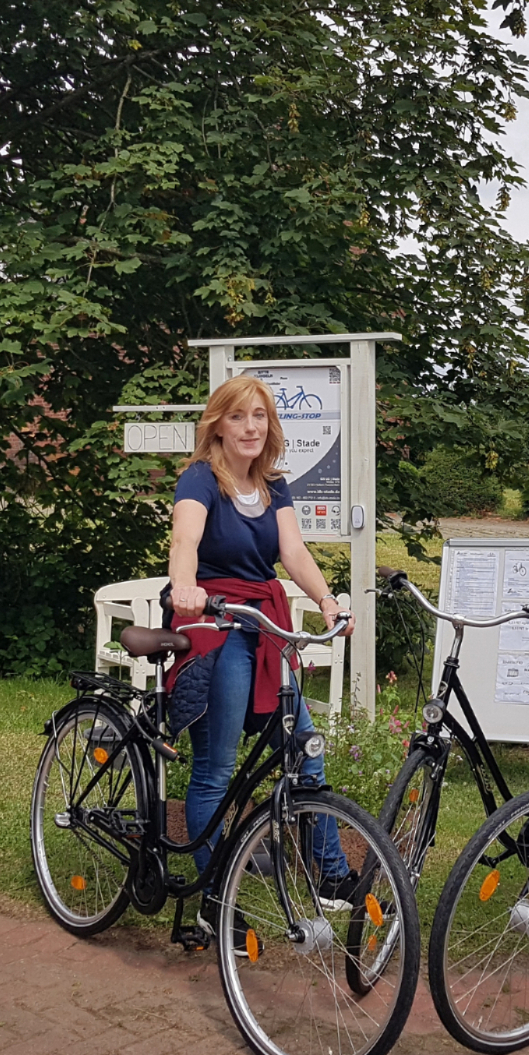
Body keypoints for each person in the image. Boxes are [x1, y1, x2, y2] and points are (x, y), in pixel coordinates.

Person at [166, 375, 355, 949]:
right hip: (217, 624)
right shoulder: (201, 479)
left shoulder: (275, 484)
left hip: (265, 625)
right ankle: (212, 900)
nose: (251, 427)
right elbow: (185, 544)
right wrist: (184, 589)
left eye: (261, 417)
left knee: (305, 749)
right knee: (216, 771)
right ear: (217, 425)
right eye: (239, 417)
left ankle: (330, 875)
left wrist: (326, 600)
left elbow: (292, 552)